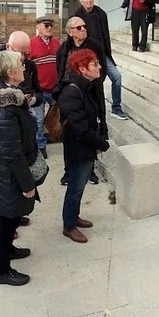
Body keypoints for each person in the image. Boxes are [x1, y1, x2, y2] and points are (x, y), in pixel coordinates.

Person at [0, 50, 39, 287]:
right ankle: (2, 271)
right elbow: (12, 151)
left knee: (11, 216)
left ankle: (9, 250)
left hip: (7, 171)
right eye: (21, 66)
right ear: (10, 73)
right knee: (6, 219)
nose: (25, 68)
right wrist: (27, 184)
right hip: (7, 173)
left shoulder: (9, 97)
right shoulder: (4, 108)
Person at [56, 49, 107, 243]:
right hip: (78, 149)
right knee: (75, 187)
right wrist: (101, 143)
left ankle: (74, 216)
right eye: (95, 64)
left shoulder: (87, 87)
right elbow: (81, 128)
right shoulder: (72, 92)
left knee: (80, 185)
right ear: (82, 69)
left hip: (86, 146)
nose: (99, 67)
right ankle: (69, 225)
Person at [56, 17, 105, 186]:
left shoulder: (95, 45)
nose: (83, 29)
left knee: (91, 128)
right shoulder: (63, 48)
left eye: (84, 26)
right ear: (70, 31)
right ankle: (68, 171)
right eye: (79, 27)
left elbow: (102, 69)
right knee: (70, 134)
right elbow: (60, 71)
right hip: (71, 94)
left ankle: (90, 171)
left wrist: (93, 83)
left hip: (91, 91)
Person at [75, 0, 129, 120]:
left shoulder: (101, 14)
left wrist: (107, 53)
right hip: (87, 56)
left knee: (117, 77)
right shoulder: (77, 17)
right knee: (93, 84)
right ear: (81, 1)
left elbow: (106, 37)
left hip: (102, 54)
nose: (89, 0)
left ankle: (116, 108)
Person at [30, 14, 61, 159]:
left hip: (55, 89)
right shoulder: (31, 44)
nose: (49, 28)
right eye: (46, 25)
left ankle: (60, 136)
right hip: (40, 90)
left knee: (61, 115)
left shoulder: (57, 43)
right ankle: (41, 146)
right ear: (38, 27)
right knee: (39, 119)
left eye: (51, 26)